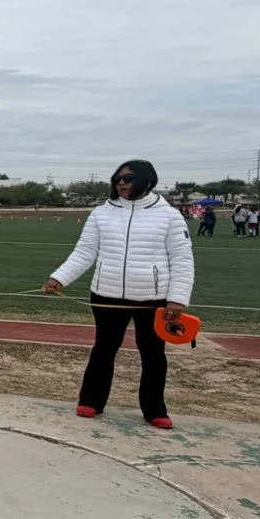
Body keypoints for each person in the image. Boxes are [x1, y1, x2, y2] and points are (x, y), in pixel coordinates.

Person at [42, 159, 195, 430]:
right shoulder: (102, 213)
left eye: (129, 179)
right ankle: (92, 400)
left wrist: (177, 299)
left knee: (153, 353)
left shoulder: (169, 215)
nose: (121, 183)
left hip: (153, 298)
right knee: (104, 348)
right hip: (106, 294)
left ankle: (154, 409)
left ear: (147, 180)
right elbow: (85, 251)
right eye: (118, 179)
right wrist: (59, 277)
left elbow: (182, 259)